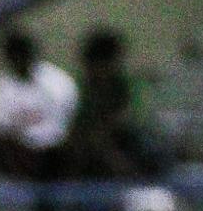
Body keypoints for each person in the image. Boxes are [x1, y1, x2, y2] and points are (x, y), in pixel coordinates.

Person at [0, 30, 78, 183]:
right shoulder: (2, 85)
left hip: (53, 151)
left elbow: (63, 128)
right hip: (20, 154)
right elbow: (0, 129)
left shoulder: (57, 82)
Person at [65, 28, 153, 179]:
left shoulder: (124, 87)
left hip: (122, 149)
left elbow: (124, 119)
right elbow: (77, 132)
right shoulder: (78, 91)